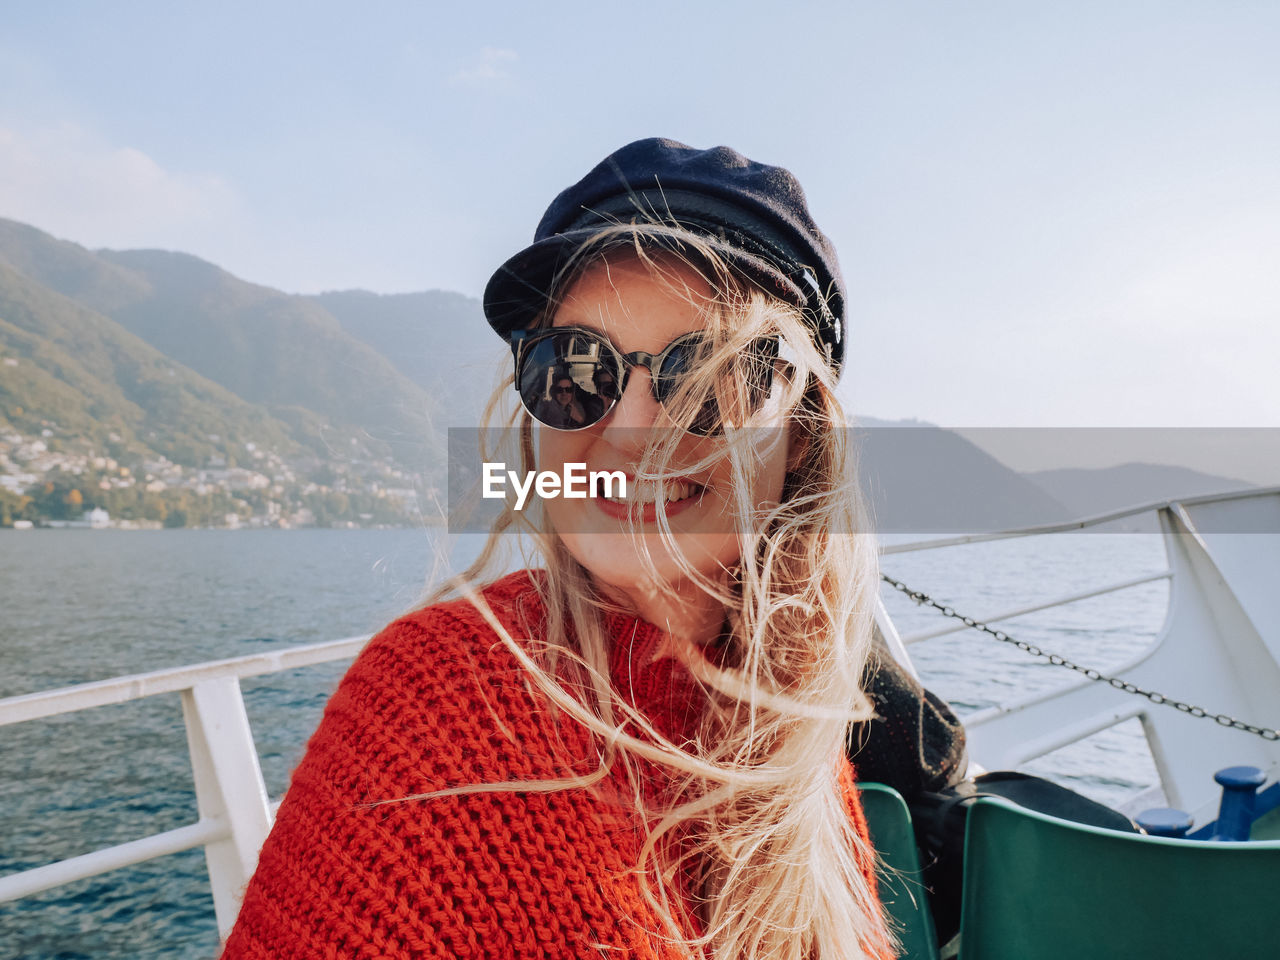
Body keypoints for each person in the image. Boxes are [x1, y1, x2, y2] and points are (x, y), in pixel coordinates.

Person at [223, 138, 912, 960]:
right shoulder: (434, 710)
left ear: (801, 436)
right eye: (576, 367)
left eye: (711, 376)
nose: (629, 429)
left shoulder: (797, 732)